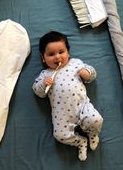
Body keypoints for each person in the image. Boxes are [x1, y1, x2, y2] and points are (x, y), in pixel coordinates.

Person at [32, 31, 103, 161]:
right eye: (51, 54)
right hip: (62, 113)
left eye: (61, 52)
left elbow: (92, 72)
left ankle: (92, 134)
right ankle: (81, 142)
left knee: (96, 120)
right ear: (43, 58)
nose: (57, 57)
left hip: (82, 106)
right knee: (60, 136)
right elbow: (38, 91)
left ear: (68, 53)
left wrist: (86, 73)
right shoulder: (45, 74)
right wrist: (43, 83)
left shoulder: (75, 63)